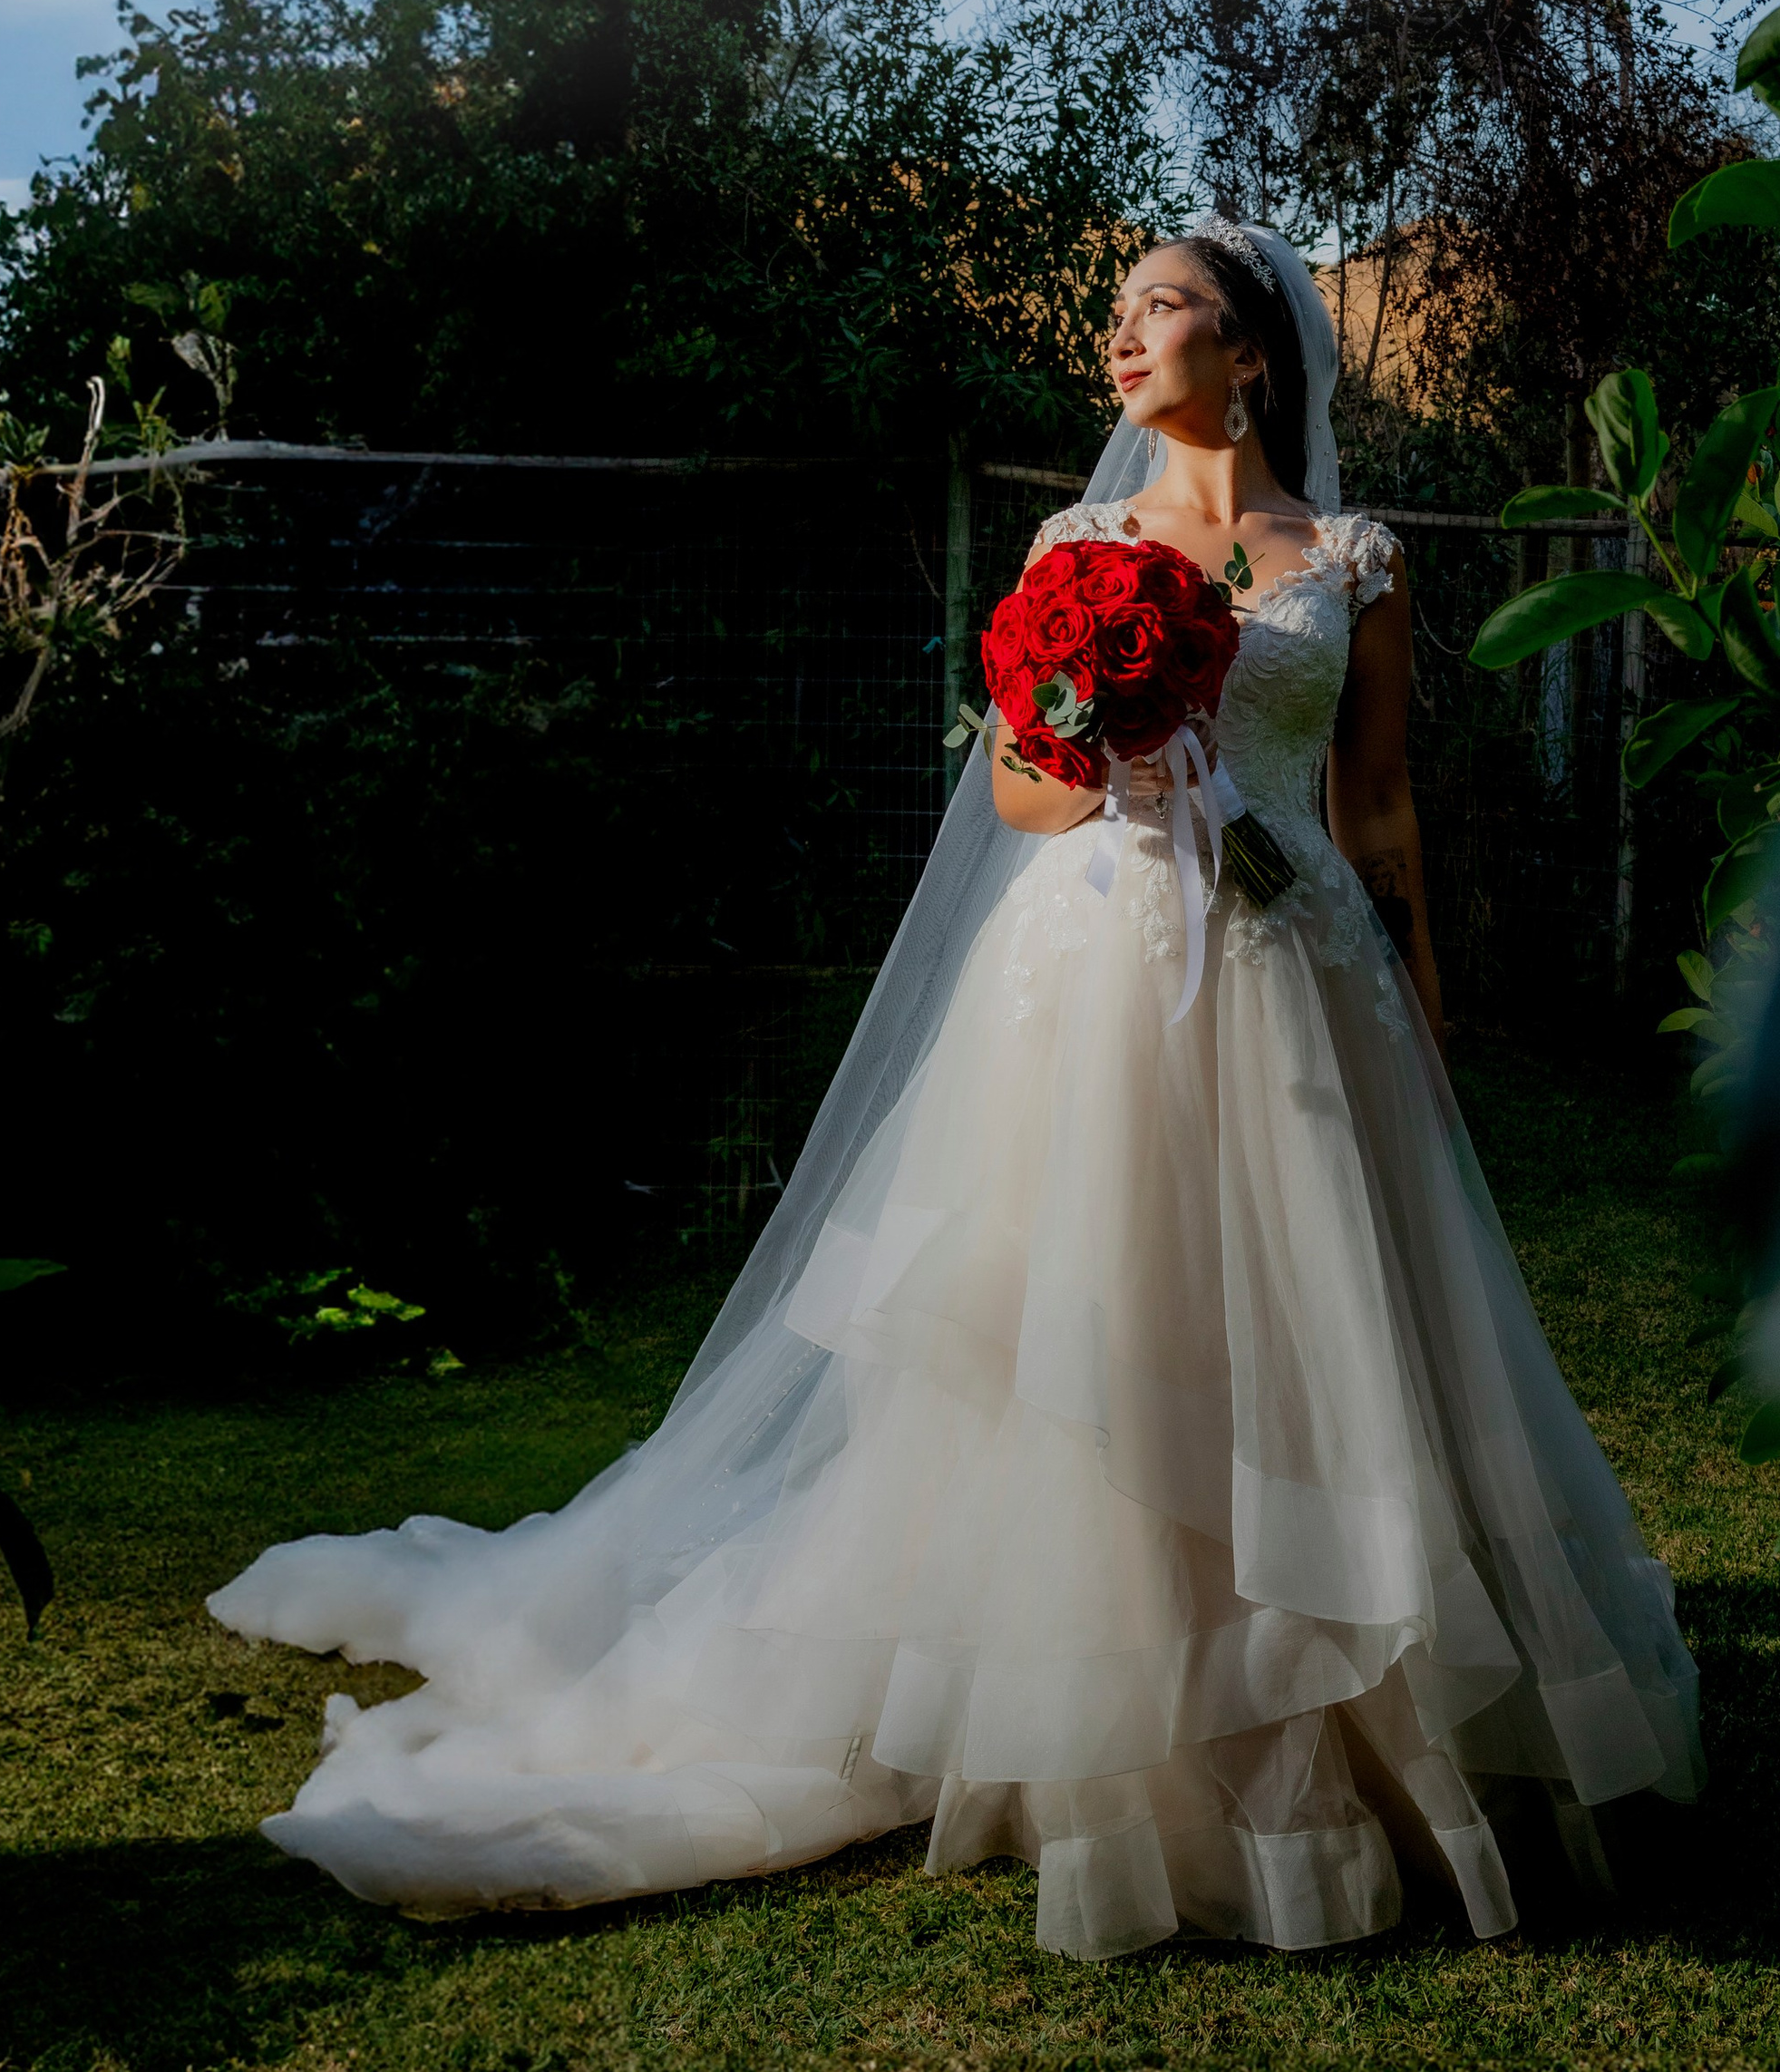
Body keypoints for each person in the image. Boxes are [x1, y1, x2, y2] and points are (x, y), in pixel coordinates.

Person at [213, 218, 1701, 1960]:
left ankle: (1333, 1696)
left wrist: (1425, 1000)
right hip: (1094, 978)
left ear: (1254, 355)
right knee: (1080, 1339)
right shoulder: (1079, 547)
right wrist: (1127, 750)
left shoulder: (1350, 560)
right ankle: (1097, 1685)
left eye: (1165, 312)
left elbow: (1377, 808)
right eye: (1121, 313)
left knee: (1325, 1337)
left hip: (1308, 987)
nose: (1125, 339)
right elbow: (1017, 802)